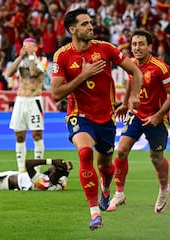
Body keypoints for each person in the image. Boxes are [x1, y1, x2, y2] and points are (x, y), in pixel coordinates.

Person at [50, 8, 143, 230]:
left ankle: (106, 188)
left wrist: (133, 95)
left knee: (106, 167)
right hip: (79, 116)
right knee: (85, 153)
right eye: (84, 24)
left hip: (106, 119)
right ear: (72, 29)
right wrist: (84, 75)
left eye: (91, 23)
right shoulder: (62, 56)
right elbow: (56, 94)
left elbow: (136, 72)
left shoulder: (106, 49)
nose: (90, 26)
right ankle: (94, 213)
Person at [106, 30, 170, 215]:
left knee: (156, 158)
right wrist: (124, 103)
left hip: (157, 117)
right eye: (134, 44)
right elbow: (132, 80)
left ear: (149, 47)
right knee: (121, 150)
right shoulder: (131, 63)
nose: (137, 48)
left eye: (141, 44)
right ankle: (120, 194)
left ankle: (164, 188)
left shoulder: (160, 67)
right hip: (136, 113)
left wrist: (157, 115)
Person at [6, 37, 47, 173]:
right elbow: (9, 73)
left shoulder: (42, 61)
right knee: (19, 135)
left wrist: (30, 56)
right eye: (24, 46)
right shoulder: (20, 61)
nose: (26, 49)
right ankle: (21, 169)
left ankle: (37, 170)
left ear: (35, 48)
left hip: (34, 100)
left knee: (36, 134)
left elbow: (34, 73)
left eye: (28, 47)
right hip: (20, 101)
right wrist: (19, 57)